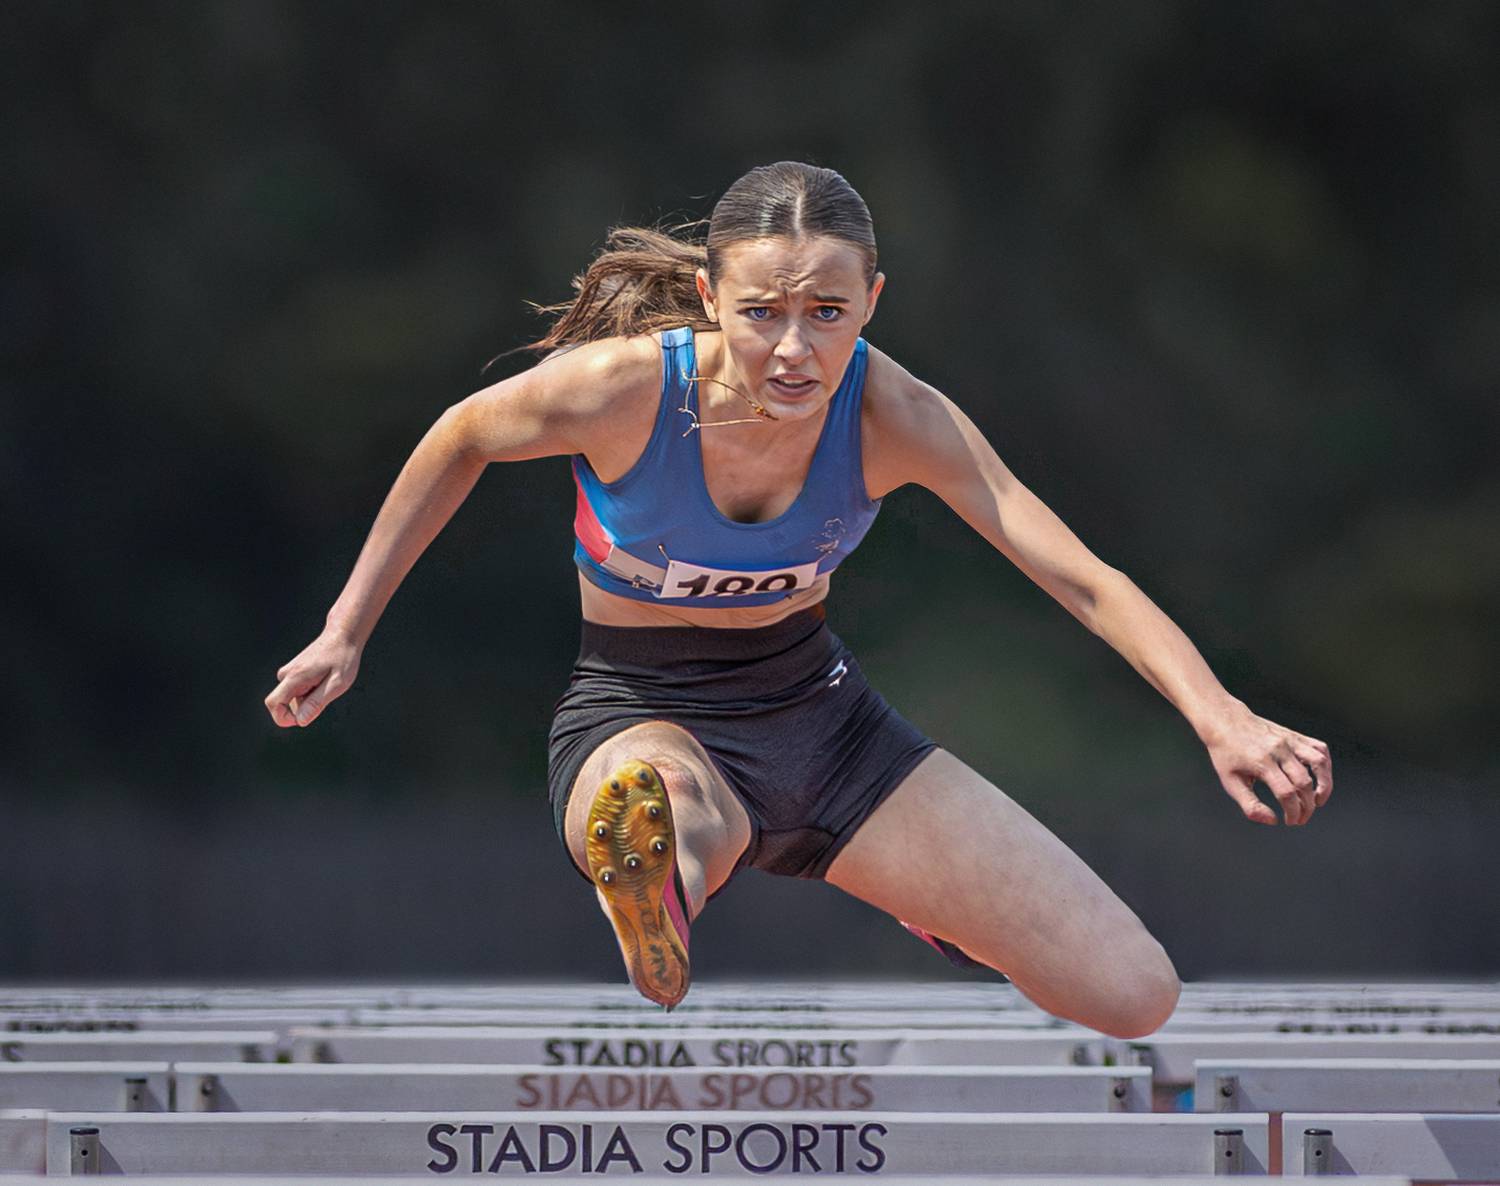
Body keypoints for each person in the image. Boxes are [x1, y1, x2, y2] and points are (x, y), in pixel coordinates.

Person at [265, 161, 1332, 1035]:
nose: (793, 350)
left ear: (871, 302)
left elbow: (1082, 576)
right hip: (642, 706)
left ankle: (931, 903)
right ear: (708, 299)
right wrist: (344, 630)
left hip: (828, 725)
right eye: (762, 313)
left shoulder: (897, 415)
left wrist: (1221, 716)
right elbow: (459, 437)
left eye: (827, 314)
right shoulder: (626, 390)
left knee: (1135, 995)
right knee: (668, 813)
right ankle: (659, 879)